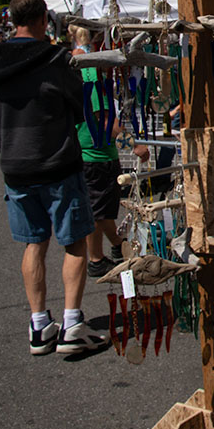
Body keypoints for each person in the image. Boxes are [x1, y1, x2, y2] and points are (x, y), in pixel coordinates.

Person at [0, 0, 107, 355]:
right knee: (74, 242)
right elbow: (78, 107)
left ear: (11, 18)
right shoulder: (55, 60)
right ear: (41, 20)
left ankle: (39, 325)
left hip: (15, 166)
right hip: (57, 162)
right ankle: (72, 323)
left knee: (34, 243)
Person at [76, 66, 126, 278]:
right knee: (98, 211)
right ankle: (96, 259)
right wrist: (134, 145)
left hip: (92, 157)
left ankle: (117, 244)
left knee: (102, 208)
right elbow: (107, 122)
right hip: (98, 159)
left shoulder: (85, 85)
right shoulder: (94, 87)